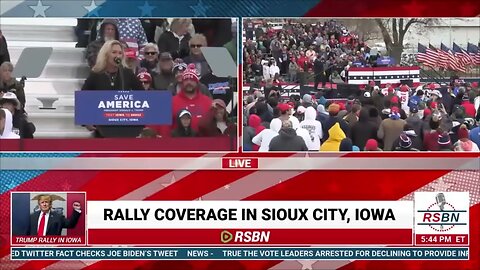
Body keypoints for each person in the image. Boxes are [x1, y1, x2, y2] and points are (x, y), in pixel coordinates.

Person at [81, 40, 144, 137]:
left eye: (120, 53)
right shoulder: (96, 74)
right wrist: (86, 120)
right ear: (106, 54)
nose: (117, 56)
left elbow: (142, 94)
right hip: (103, 127)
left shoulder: (127, 73)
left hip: (124, 125)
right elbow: (83, 97)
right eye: (114, 52)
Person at [171, 65, 212, 132]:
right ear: (182, 82)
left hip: (204, 141)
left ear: (197, 82)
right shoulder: (172, 102)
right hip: (180, 141)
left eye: (192, 80)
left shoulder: (208, 102)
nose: (189, 83)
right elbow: (166, 127)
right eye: (186, 80)